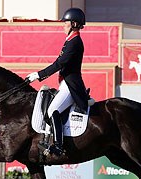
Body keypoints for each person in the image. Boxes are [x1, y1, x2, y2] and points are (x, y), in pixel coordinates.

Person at [26, 8, 89, 157]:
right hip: (65, 82)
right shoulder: (70, 40)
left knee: (52, 111)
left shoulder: (75, 42)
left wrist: (38, 74)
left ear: (73, 24)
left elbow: (59, 63)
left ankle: (59, 146)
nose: (63, 25)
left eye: (66, 23)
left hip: (70, 84)